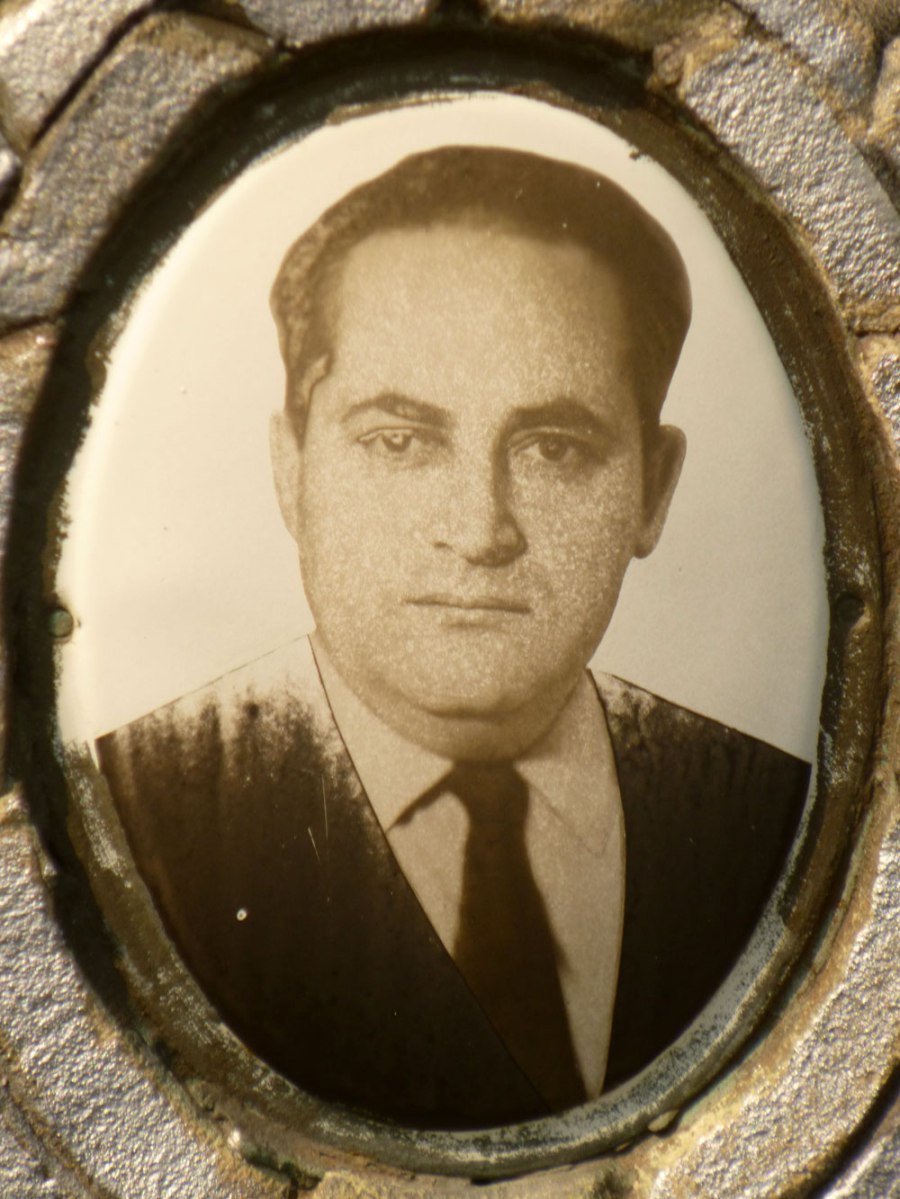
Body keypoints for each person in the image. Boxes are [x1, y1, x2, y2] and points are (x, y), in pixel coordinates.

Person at [97, 146, 810, 1128]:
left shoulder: (770, 819)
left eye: (554, 448)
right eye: (399, 441)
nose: (480, 530)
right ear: (291, 471)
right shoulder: (126, 816)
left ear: (652, 488)